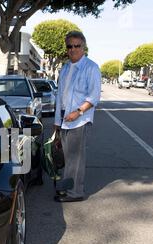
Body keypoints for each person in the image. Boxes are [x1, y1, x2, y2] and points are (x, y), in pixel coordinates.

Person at [53, 31, 101, 202]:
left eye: (76, 46)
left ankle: (75, 192)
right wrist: (57, 122)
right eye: (69, 46)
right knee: (67, 158)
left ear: (83, 47)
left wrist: (78, 112)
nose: (73, 49)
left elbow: (94, 97)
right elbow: (60, 96)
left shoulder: (91, 67)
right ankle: (66, 188)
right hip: (65, 119)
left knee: (75, 159)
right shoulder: (65, 68)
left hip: (79, 120)